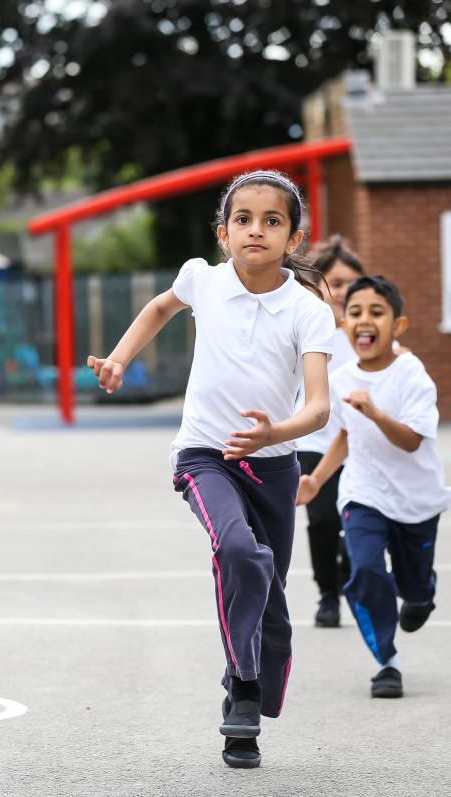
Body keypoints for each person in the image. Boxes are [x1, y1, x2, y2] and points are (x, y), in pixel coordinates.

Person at [87, 170, 335, 769]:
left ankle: (246, 702)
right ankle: (242, 684)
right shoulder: (203, 279)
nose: (256, 230)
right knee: (239, 553)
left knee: (269, 594)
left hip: (273, 464)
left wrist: (276, 432)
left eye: (272, 221)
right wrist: (120, 360)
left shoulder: (307, 310)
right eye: (243, 220)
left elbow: (320, 406)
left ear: (294, 239)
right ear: (224, 233)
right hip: (205, 455)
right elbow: (157, 308)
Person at [297, 276, 447, 700]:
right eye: (356, 312)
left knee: (413, 588)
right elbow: (346, 437)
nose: (364, 320)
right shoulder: (342, 378)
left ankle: (421, 594)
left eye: (377, 312)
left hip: (416, 500)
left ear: (397, 326)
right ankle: (387, 662)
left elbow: (412, 440)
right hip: (364, 493)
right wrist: (316, 480)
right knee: (363, 568)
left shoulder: (412, 375)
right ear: (345, 325)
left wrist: (376, 413)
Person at [294, 236, 364, 627]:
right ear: (318, 286)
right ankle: (327, 594)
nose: (344, 292)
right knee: (322, 520)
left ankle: (349, 574)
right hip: (313, 443)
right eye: (336, 283)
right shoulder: (305, 327)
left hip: (358, 446)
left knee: (356, 520)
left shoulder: (369, 333)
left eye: (352, 283)